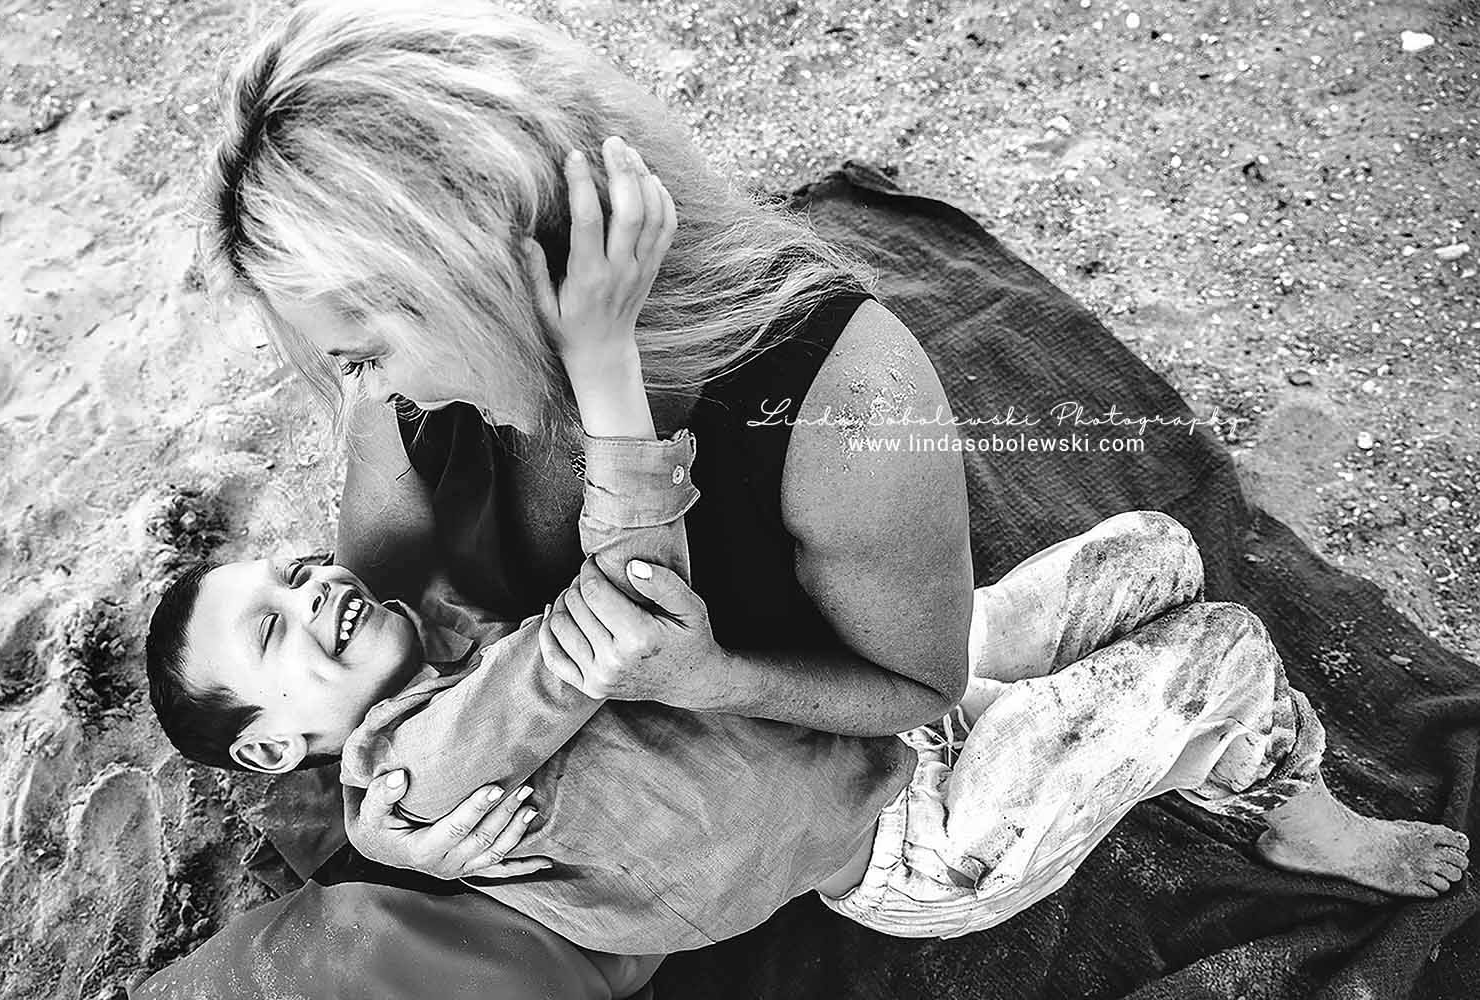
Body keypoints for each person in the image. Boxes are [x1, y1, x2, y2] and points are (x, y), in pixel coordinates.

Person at [134, 1, 1467, 995]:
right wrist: (404, 837)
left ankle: (1233, 764)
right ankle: (1293, 803)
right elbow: (377, 708)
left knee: (1161, 550)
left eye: (363, 341)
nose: (349, 388)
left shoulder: (837, 390)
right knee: (1221, 644)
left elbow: (911, 687)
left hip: (865, 713)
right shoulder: (406, 409)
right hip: (886, 827)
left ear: (488, 269)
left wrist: (717, 677)